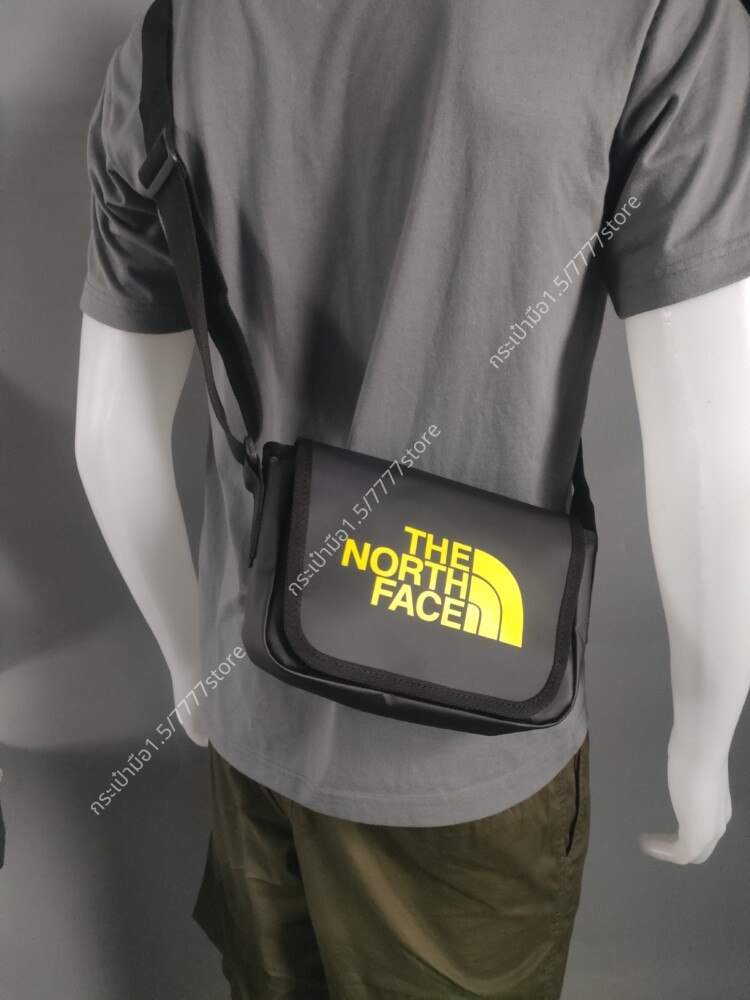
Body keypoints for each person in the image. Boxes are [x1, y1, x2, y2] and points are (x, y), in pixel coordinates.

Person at [76, 1, 750, 997]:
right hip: (469, 757)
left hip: (252, 713)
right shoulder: (661, 18)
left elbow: (107, 433)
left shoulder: (170, 36)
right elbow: (713, 438)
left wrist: (192, 670)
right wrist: (705, 730)